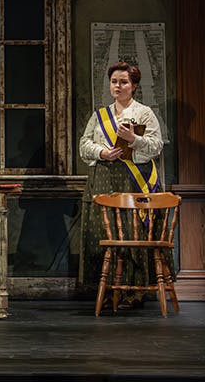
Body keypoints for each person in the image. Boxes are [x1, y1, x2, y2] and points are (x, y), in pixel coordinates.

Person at [78, 61, 164, 309]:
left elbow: (156, 146)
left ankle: (132, 291)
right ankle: (103, 291)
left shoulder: (144, 113)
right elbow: (84, 144)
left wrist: (133, 139)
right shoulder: (100, 115)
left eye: (123, 82)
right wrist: (102, 153)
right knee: (102, 233)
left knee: (131, 231)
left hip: (132, 180)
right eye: (114, 81)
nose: (118, 86)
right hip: (103, 179)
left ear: (134, 86)